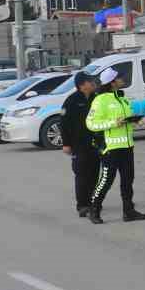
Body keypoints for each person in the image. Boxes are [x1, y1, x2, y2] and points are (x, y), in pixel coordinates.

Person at [85, 67, 145, 224]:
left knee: (128, 181)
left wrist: (133, 121)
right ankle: (94, 210)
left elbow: (124, 121)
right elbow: (91, 123)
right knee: (106, 181)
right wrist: (113, 123)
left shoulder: (122, 98)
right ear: (112, 82)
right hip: (110, 149)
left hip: (127, 146)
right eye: (120, 78)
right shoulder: (100, 100)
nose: (122, 80)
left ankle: (129, 211)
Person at [60, 72, 101, 218]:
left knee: (94, 173)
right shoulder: (71, 101)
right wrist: (66, 144)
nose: (94, 84)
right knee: (82, 174)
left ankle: (92, 201)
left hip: (95, 143)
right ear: (82, 85)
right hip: (78, 144)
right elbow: (63, 124)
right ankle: (82, 205)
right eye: (91, 81)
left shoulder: (96, 98)